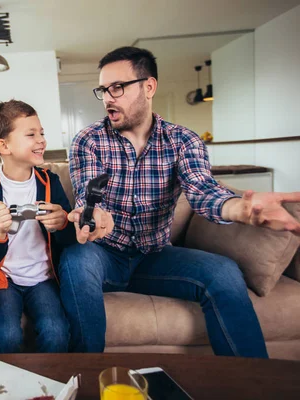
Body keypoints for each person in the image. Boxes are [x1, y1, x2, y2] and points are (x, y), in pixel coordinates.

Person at [61, 46, 300, 358]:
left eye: (117, 87)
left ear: (149, 87)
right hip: (103, 254)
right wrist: (95, 216)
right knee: (75, 261)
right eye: (103, 90)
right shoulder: (88, 140)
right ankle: (87, 376)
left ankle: (252, 381)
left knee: (224, 272)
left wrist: (239, 208)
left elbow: (202, 190)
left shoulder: (183, 140)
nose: (108, 98)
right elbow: (90, 191)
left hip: (155, 256)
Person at [0, 100, 76, 353]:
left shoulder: (50, 182)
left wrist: (62, 222)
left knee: (56, 332)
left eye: (41, 133)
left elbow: (70, 240)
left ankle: (50, 390)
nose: (41, 140)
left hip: (43, 277)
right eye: (31, 135)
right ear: (4, 146)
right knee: (7, 335)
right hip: (4, 278)